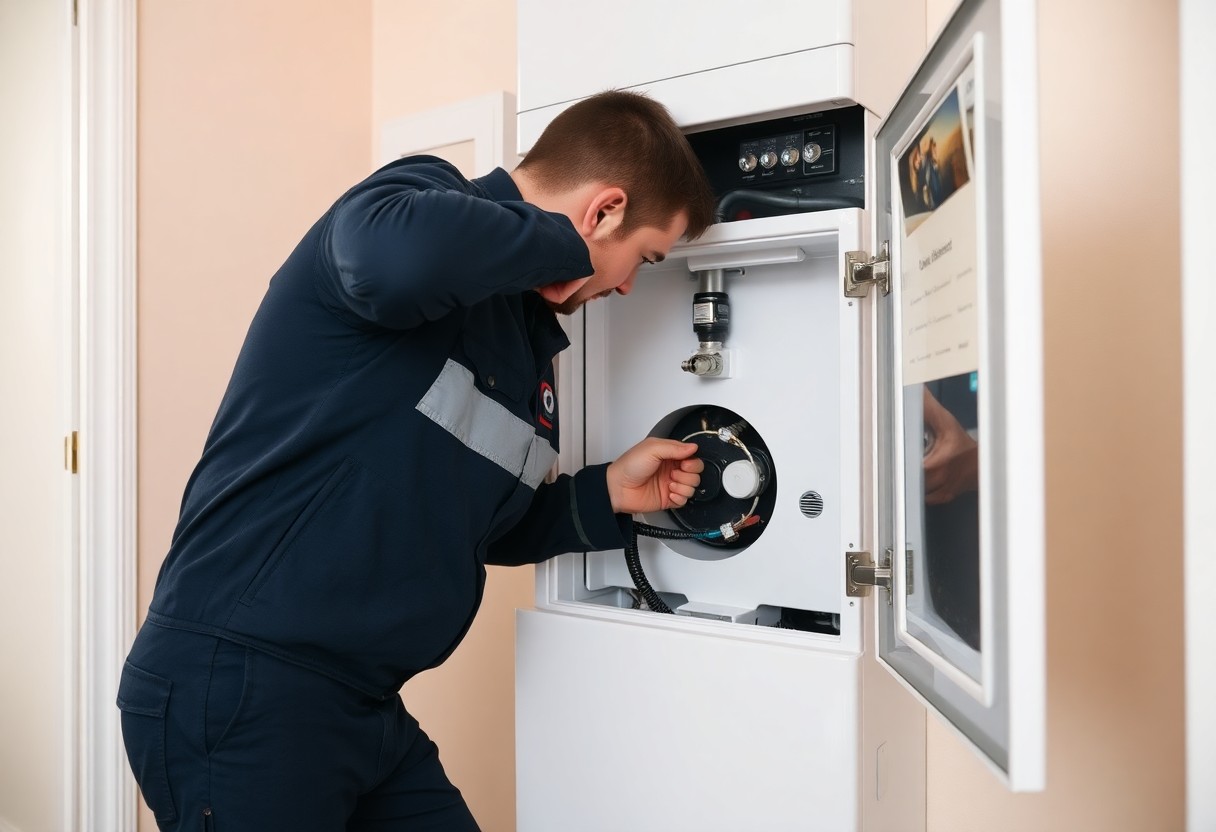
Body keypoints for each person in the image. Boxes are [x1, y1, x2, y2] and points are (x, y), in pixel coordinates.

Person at [117, 90, 718, 831]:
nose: (626, 284)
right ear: (604, 212)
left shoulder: (525, 344)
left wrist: (607, 497)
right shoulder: (417, 200)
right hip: (246, 682)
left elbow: (485, 528)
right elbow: (394, 261)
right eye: (643, 258)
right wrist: (564, 245)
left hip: (358, 704)